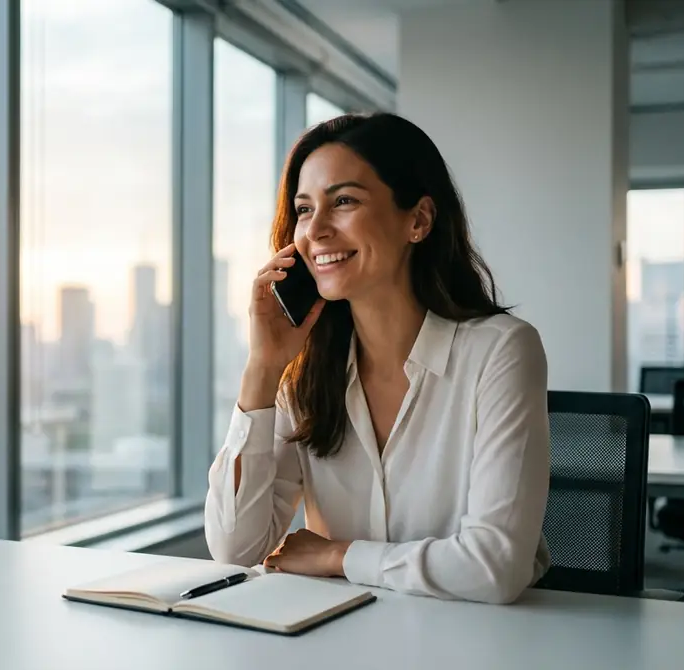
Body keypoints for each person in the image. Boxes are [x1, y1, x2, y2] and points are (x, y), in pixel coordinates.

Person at [203, 112, 550, 605]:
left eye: (343, 201)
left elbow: (495, 566)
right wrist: (262, 369)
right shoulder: (305, 375)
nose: (315, 230)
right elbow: (236, 548)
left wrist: (337, 556)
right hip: (342, 642)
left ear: (418, 220)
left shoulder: (500, 351)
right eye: (304, 209)